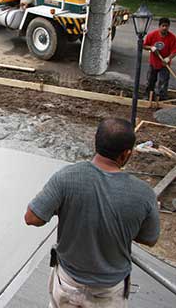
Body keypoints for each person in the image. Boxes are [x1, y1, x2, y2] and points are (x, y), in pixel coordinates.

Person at [25, 118, 160, 308]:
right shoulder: (143, 193)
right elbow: (150, 238)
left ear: (95, 142)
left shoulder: (67, 177)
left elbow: (32, 218)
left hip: (67, 285)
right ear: (126, 154)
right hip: (108, 293)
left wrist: (64, 206)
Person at [143, 17, 176, 101]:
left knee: (163, 82)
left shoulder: (172, 38)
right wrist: (151, 47)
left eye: (167, 26)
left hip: (164, 64)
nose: (165, 28)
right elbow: (144, 45)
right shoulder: (152, 35)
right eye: (163, 26)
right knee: (150, 81)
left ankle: (162, 98)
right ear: (159, 26)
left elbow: (174, 51)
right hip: (153, 63)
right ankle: (148, 96)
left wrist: (168, 58)